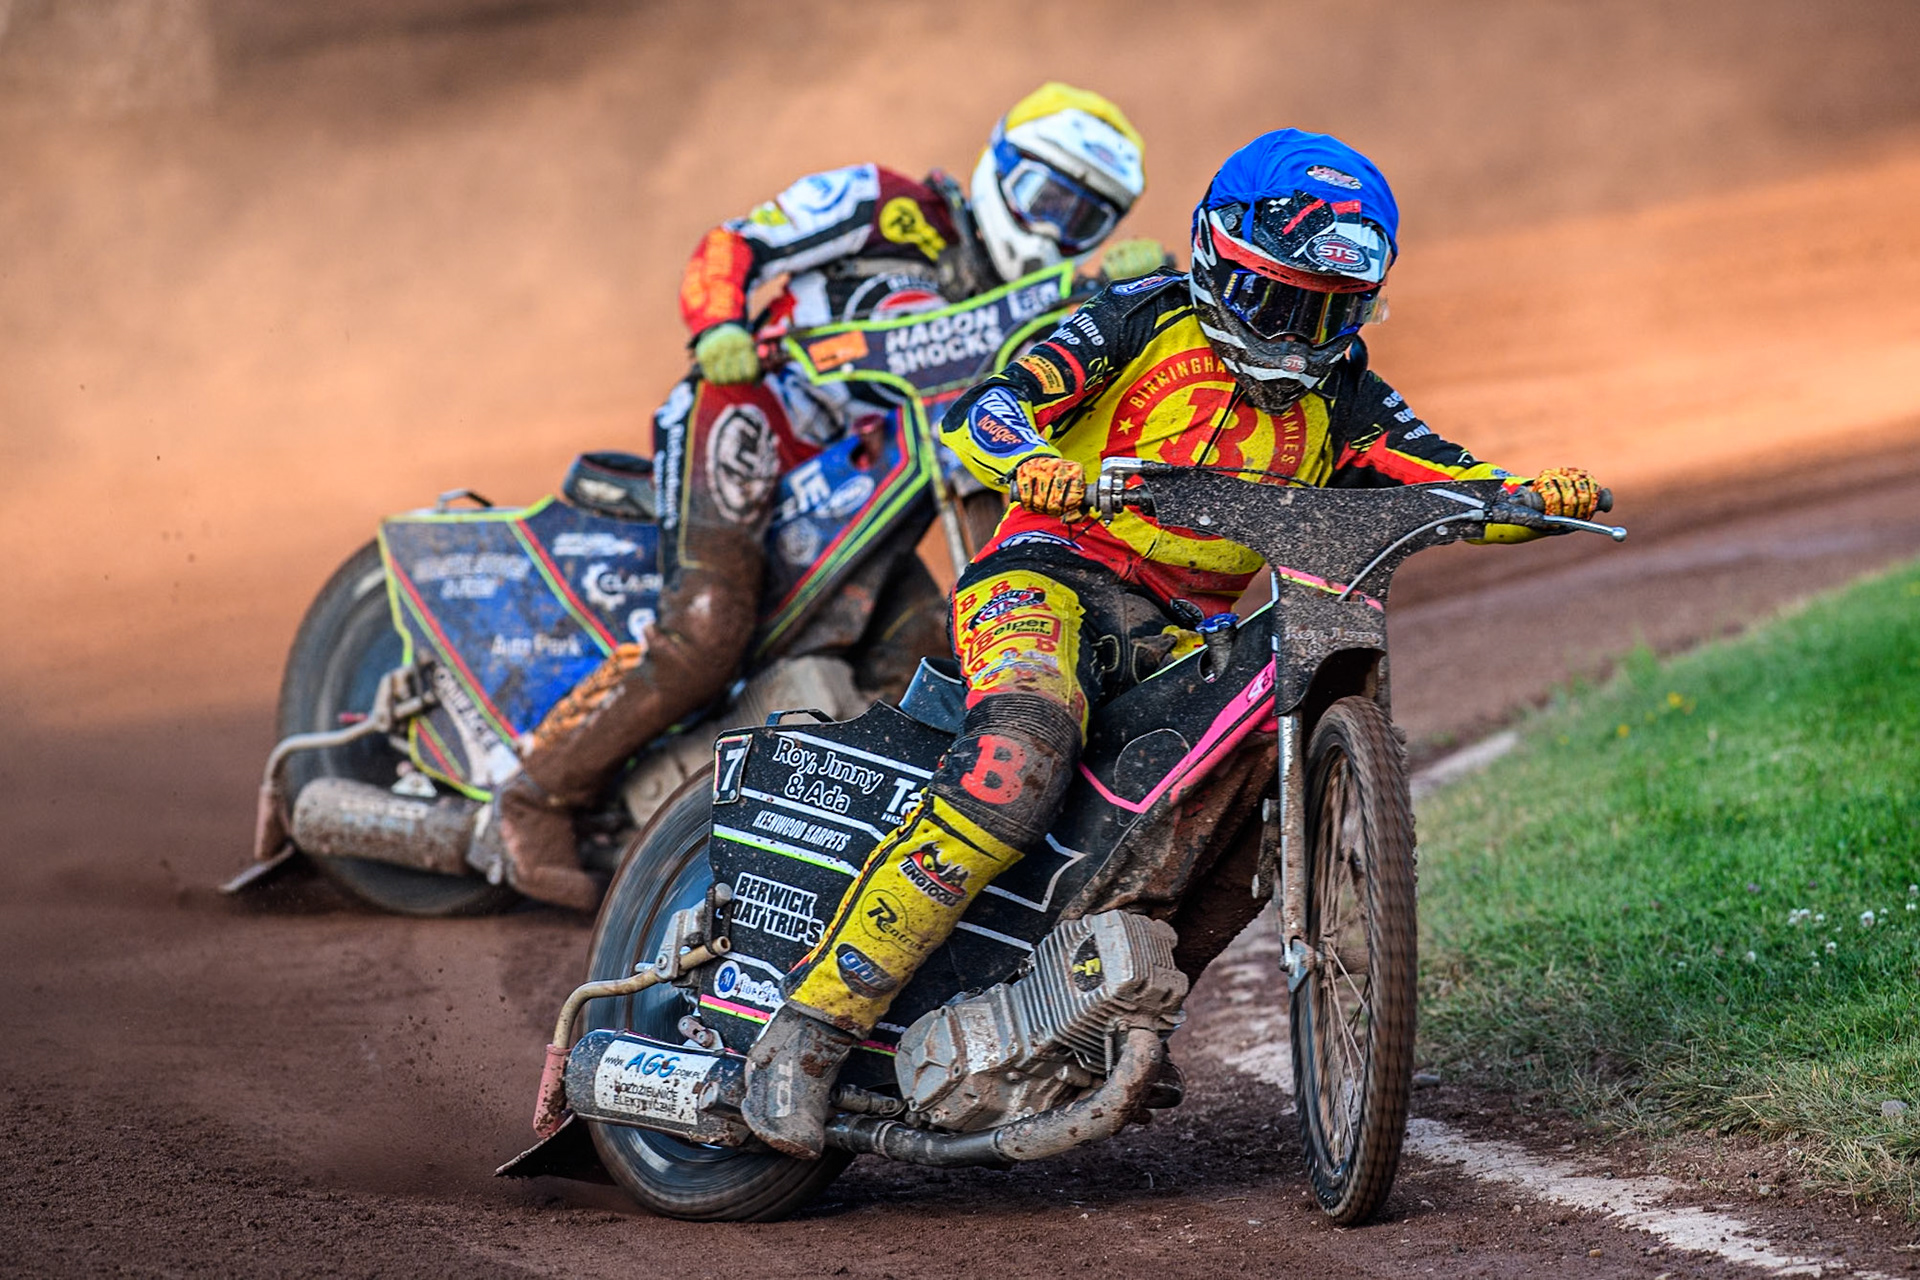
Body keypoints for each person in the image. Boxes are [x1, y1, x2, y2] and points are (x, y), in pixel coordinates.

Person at [741, 128, 1607, 1156]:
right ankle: (808, 1030)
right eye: (1279, 302)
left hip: (1184, 632)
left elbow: (1442, 475)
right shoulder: (1136, 317)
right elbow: (988, 408)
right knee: (1021, 747)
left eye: (1329, 311)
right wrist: (1031, 459)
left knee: (1257, 803)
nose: (1300, 335)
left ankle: (1116, 1014)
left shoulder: (1348, 390)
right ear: (1216, 259)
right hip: (1045, 574)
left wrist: (1529, 497)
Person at [472, 84, 1163, 912]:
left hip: (870, 479)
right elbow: (737, 241)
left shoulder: (1046, 303)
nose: (1054, 229)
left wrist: (1126, 295)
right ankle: (530, 800)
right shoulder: (887, 206)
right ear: (997, 168)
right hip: (755, 414)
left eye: (1084, 219)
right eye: (1045, 198)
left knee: (923, 647)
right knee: (707, 629)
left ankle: (810, 842)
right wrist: (718, 325)